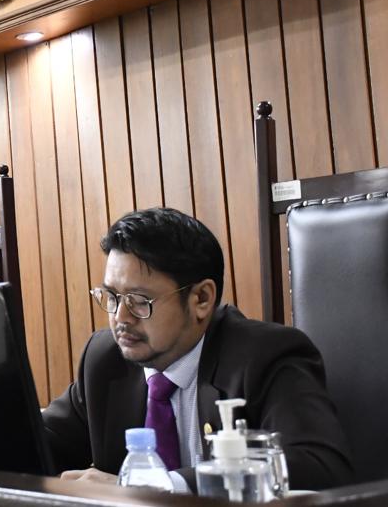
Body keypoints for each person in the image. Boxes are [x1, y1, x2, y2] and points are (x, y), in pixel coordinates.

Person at [42, 207, 352, 492]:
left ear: (201, 299)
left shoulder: (266, 357)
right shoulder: (105, 360)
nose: (120, 317)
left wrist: (160, 487)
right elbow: (42, 445)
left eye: (139, 301)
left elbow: (320, 467)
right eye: (111, 297)